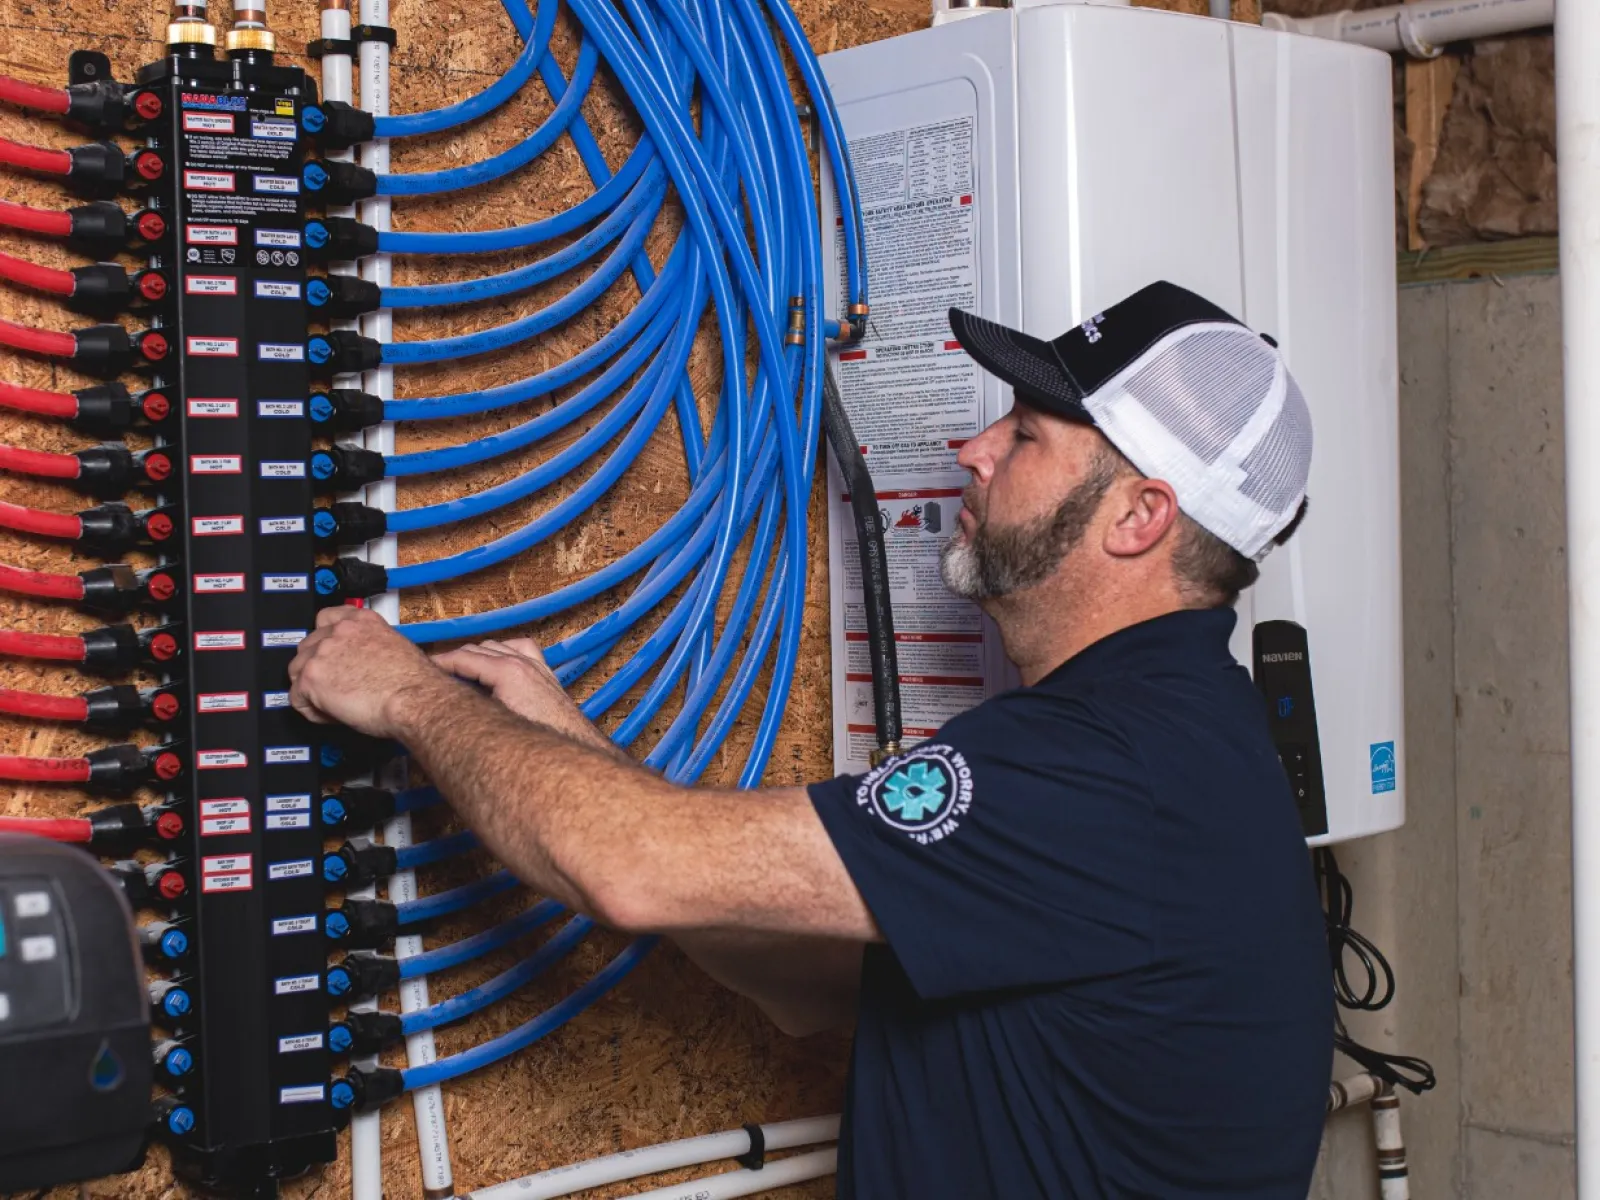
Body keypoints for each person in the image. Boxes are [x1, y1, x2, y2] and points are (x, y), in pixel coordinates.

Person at [289, 280, 1334, 1199]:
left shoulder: (1099, 768)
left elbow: (631, 871)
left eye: (1023, 437)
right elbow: (814, 988)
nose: (971, 450)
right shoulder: (1181, 739)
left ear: (1138, 518)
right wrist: (578, 752)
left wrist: (410, 700)